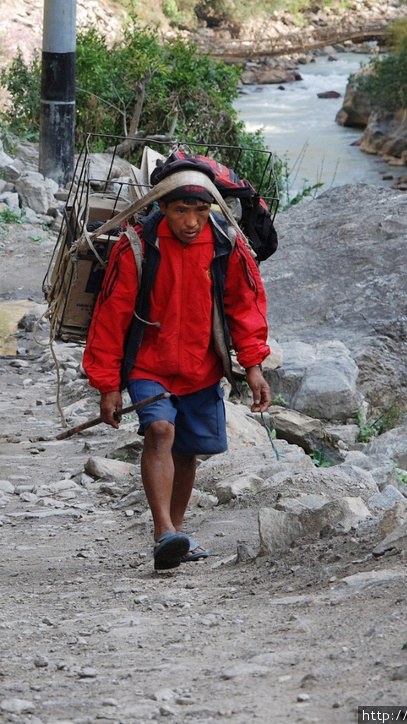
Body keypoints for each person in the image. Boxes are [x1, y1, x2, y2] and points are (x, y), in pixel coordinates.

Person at [83, 154, 272, 571]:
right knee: (160, 431)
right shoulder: (136, 247)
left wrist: (254, 365)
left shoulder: (226, 244)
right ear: (162, 207)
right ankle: (164, 531)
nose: (191, 221)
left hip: (201, 367)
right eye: (181, 210)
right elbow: (110, 319)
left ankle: (178, 535)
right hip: (149, 363)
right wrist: (108, 386)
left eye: (201, 210)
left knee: (187, 451)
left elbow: (245, 306)